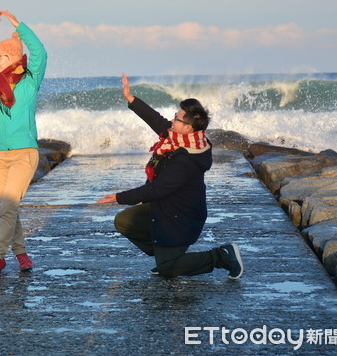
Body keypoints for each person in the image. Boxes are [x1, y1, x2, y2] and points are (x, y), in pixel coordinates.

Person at [97, 73, 243, 280]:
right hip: (165, 209)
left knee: (168, 270)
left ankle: (222, 255)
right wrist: (131, 98)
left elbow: (156, 189)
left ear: (188, 127)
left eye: (177, 118)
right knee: (124, 221)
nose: (172, 120)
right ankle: (165, 257)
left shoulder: (186, 160)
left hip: (181, 217)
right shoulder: (180, 138)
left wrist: (120, 197)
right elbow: (156, 120)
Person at [0, 10, 47, 277]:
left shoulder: (30, 81)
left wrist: (19, 26)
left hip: (24, 154)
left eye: (1, 57)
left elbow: (40, 54)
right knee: (8, 209)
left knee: (9, 208)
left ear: (13, 58)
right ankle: (21, 253)